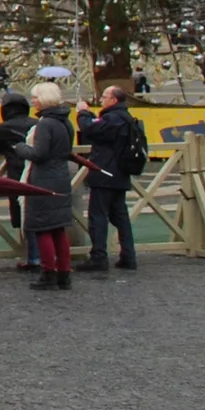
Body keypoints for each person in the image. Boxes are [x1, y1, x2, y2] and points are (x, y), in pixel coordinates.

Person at [74, 85, 142, 272]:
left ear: (113, 100)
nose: (101, 99)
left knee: (98, 216)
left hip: (104, 172)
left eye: (104, 96)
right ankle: (128, 255)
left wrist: (83, 112)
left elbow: (90, 130)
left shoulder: (113, 118)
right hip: (120, 172)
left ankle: (99, 257)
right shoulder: (126, 118)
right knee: (120, 217)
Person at [21, 82, 78, 291]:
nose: (33, 101)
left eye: (35, 97)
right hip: (61, 177)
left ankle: (48, 273)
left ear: (43, 99)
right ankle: (64, 273)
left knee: (43, 228)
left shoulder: (45, 124)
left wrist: (21, 149)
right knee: (58, 229)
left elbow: (39, 154)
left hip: (44, 178)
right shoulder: (66, 122)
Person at [0, 93, 35, 267]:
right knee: (38, 215)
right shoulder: (36, 123)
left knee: (23, 215)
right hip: (37, 172)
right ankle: (38, 256)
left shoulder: (4, 128)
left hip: (18, 175)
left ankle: (32, 257)